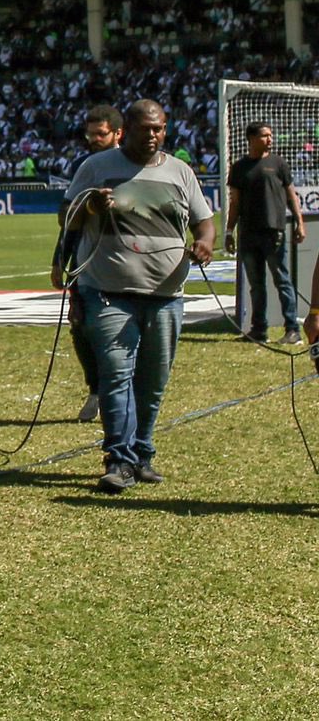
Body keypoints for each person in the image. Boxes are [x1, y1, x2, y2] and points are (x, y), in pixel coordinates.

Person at [64, 99, 214, 493]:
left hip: (167, 295)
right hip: (109, 293)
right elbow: (67, 217)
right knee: (116, 376)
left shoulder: (180, 171)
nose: (153, 135)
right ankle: (119, 459)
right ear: (125, 129)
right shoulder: (96, 168)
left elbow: (204, 220)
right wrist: (91, 206)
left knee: (153, 381)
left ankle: (142, 453)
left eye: (159, 128)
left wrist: (204, 243)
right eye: (145, 128)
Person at [51, 104, 122, 423]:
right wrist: (59, 261)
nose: (93, 139)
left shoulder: (133, 164)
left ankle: (120, 392)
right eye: (90, 134)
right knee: (81, 326)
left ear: (118, 133)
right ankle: (96, 390)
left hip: (125, 262)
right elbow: (69, 219)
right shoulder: (83, 165)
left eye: (101, 134)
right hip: (85, 263)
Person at [225, 121, 307, 345]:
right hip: (249, 233)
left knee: (282, 281)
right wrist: (229, 231)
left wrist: (299, 222)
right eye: (265, 135)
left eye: (271, 135)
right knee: (256, 285)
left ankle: (292, 330)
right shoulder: (239, 167)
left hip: (274, 233)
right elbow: (235, 202)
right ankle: (258, 329)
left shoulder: (278, 163)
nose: (270, 139)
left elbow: (292, 195)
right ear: (251, 138)